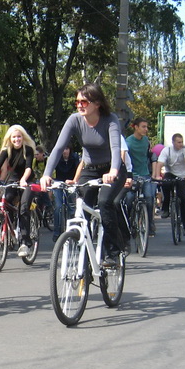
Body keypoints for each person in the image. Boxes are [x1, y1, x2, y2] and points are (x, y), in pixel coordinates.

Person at [39, 83, 127, 266]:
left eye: (84, 102)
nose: (79, 105)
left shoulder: (110, 119)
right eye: (77, 101)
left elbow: (115, 148)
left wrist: (113, 171)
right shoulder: (74, 120)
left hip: (112, 169)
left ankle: (113, 251)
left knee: (105, 202)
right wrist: (47, 174)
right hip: (90, 169)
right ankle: (84, 258)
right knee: (82, 208)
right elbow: (58, 148)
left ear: (97, 103)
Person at [0, 125, 36, 257]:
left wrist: (24, 180)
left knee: (23, 208)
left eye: (19, 136)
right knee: (6, 200)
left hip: (27, 180)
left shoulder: (28, 149)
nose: (17, 139)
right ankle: (9, 229)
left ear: (23, 137)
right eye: (14, 137)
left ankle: (25, 242)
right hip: (13, 179)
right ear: (10, 139)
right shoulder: (7, 150)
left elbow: (28, 168)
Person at [152, 133, 185, 237]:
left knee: (184, 200)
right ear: (173, 142)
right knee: (165, 184)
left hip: (184, 175)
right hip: (170, 173)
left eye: (182, 142)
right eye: (178, 142)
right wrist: (157, 176)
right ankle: (165, 208)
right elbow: (160, 163)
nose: (181, 144)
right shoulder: (167, 150)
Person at [124, 117, 156, 235]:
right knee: (129, 199)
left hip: (145, 174)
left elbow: (149, 155)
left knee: (149, 198)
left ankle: (150, 224)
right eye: (143, 127)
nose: (146, 129)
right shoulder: (128, 142)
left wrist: (153, 172)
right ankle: (127, 223)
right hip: (132, 175)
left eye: (146, 127)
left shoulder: (146, 141)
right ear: (136, 127)